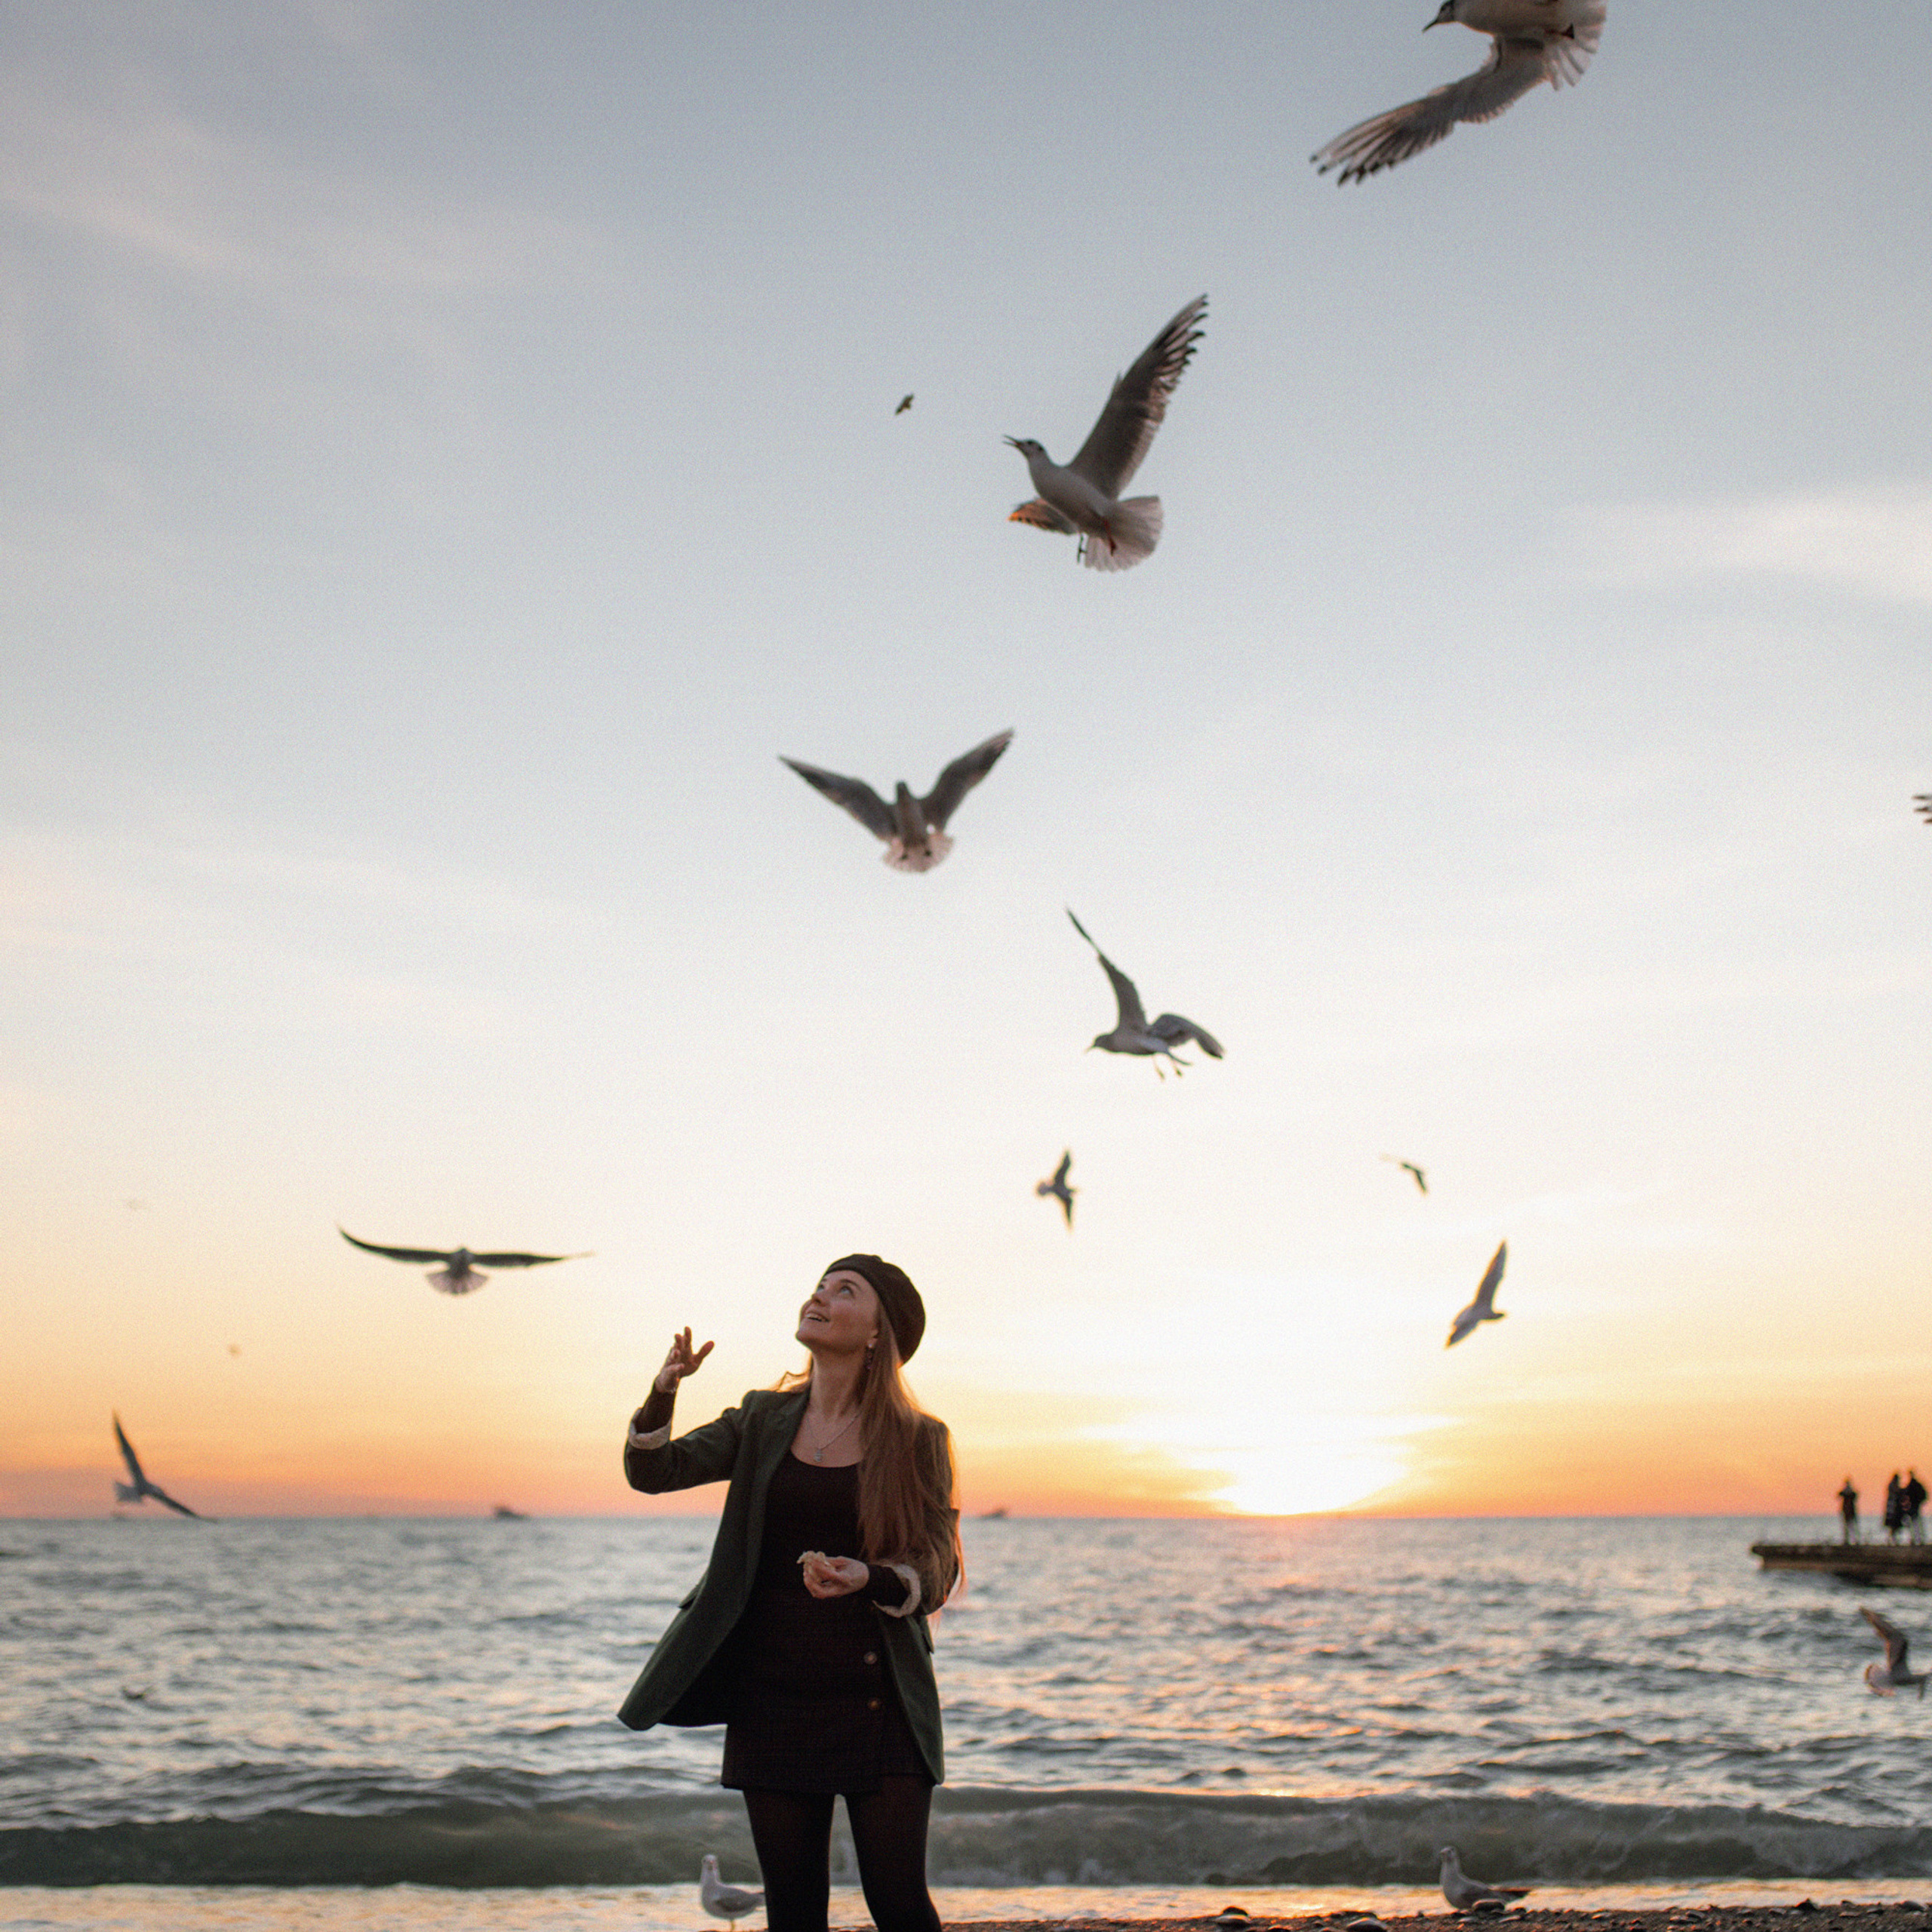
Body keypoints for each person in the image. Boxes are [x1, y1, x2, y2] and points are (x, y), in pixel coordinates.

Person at [618, 1255, 961, 1932]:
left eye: (844, 1291)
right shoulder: (762, 1418)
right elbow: (654, 1472)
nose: (820, 1296)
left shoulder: (919, 1438)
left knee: (898, 1904)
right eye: (819, 1286)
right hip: (773, 1694)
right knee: (794, 1914)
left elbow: (939, 1561)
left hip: (880, 1696)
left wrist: (870, 1576)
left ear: (876, 1333)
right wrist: (663, 1392)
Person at [1907, 1469, 1927, 1546]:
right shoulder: (1917, 1484)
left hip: (1913, 1506)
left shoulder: (1912, 1485)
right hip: (1916, 1506)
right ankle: (1920, 1539)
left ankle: (1915, 1539)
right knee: (1917, 1523)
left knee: (1914, 1524)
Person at [1884, 1472, 1903, 1545]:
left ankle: (1892, 1540)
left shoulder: (1892, 1485)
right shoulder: (1893, 1486)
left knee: (1894, 1527)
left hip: (1893, 1509)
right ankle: (1892, 1540)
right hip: (1893, 1509)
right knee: (1893, 1525)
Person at [1838, 1476, 1859, 1545]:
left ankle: (1850, 1540)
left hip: (1848, 1511)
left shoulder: (1848, 1492)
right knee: (1850, 1526)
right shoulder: (1849, 1492)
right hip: (1848, 1511)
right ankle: (1851, 1540)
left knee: (1849, 1526)